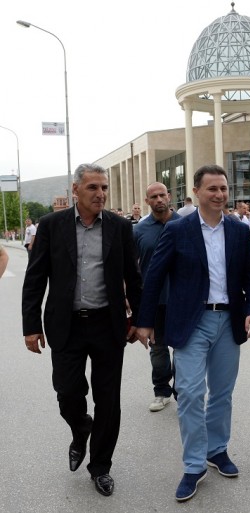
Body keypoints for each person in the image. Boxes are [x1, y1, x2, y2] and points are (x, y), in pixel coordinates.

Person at [136, 164, 250, 502]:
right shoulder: (178, 229)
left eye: (223, 188)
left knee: (222, 393)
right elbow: (154, 276)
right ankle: (194, 465)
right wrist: (145, 321)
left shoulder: (238, 230)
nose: (220, 194)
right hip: (191, 322)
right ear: (196, 192)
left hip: (229, 321)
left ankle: (216, 450)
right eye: (212, 189)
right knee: (191, 393)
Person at [21, 163, 142, 497]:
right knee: (67, 392)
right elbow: (35, 278)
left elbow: (133, 278)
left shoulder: (119, 227)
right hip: (66, 325)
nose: (100, 194)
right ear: (76, 190)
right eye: (93, 187)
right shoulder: (51, 225)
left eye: (104, 188)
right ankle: (80, 428)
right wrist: (31, 326)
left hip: (108, 325)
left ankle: (100, 466)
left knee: (108, 400)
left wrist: (141, 320)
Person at [134, 182, 180, 411]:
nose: (159, 199)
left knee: (183, 348)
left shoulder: (186, 224)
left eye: (162, 195)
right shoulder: (139, 230)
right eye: (154, 197)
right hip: (154, 300)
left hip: (183, 299)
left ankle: (182, 391)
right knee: (158, 348)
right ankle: (161, 391)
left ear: (169, 196)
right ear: (147, 201)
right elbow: (131, 267)